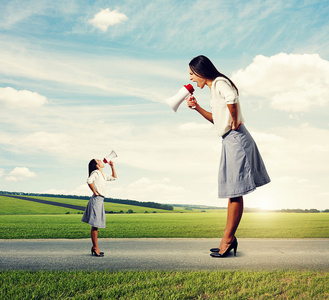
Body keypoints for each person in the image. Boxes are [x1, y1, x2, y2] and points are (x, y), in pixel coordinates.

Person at [186, 55, 270, 258]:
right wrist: (197, 108)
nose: (191, 79)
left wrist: (234, 120)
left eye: (191, 74)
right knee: (234, 191)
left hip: (236, 139)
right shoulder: (214, 89)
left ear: (200, 71)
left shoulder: (220, 83)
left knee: (235, 191)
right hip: (229, 140)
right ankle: (228, 238)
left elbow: (232, 99)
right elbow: (216, 119)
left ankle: (228, 240)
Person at [81, 158, 117, 257]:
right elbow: (89, 180)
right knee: (95, 225)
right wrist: (94, 191)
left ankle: (95, 247)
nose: (101, 161)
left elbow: (114, 177)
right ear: (96, 165)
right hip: (96, 200)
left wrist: (112, 166)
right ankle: (95, 248)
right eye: (99, 161)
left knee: (96, 225)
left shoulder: (102, 175)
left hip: (100, 200)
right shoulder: (96, 173)